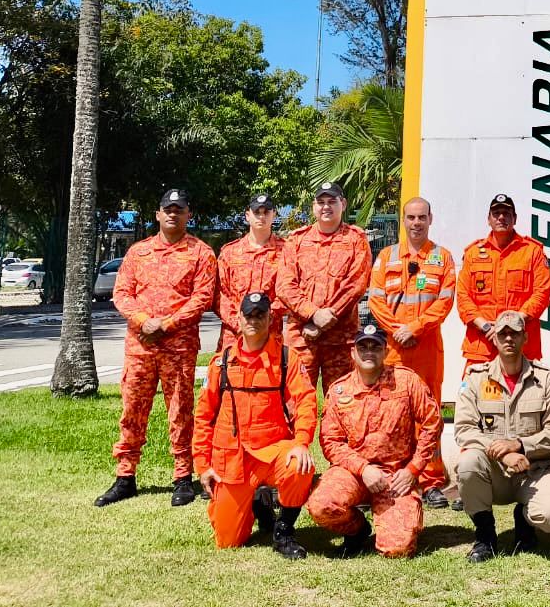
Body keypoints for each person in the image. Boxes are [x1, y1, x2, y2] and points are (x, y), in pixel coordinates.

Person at [97, 188, 218, 508]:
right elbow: (122, 294)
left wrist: (164, 325)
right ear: (158, 214)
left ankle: (182, 478)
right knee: (132, 411)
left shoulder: (201, 253)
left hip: (178, 347)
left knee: (180, 412)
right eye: (168, 209)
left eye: (179, 209)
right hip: (141, 345)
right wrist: (142, 321)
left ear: (188, 215)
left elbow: (202, 298)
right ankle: (125, 477)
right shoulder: (138, 253)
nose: (173, 214)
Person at [306, 320, 442, 559]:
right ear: (353, 352)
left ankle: (398, 521)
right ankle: (357, 530)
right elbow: (330, 441)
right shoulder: (340, 391)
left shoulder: (406, 382)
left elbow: (432, 423)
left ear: (386, 351)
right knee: (322, 505)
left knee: (398, 549)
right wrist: (363, 468)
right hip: (354, 473)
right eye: (363, 347)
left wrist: (413, 469)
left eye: (375, 347)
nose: (369, 352)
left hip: (396, 474)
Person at [193, 292, 315, 558]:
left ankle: (283, 531)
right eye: (249, 314)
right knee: (228, 540)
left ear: (270, 318)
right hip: (232, 458)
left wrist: (302, 442)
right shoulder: (220, 363)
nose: (254, 320)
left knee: (299, 467)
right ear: (239, 318)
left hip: (271, 451)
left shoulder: (286, 359)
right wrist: (203, 466)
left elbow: (305, 401)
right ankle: (256, 503)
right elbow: (203, 417)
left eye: (260, 315)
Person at [456, 311, 550, 562]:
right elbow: (464, 429)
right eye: (503, 334)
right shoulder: (476, 378)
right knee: (467, 464)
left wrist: (521, 445)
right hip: (494, 471)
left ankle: (525, 520)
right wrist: (505, 453)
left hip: (534, 469)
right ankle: (485, 536)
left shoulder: (545, 378)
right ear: (494, 340)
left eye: (515, 333)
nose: (509, 339)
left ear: (525, 338)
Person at [367, 195, 456, 506]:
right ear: (402, 221)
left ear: (430, 220)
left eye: (422, 217)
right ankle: (395, 474)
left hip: (427, 347)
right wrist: (396, 330)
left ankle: (431, 480)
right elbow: (375, 300)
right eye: (411, 218)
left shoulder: (442, 258)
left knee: (429, 413)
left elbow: (444, 302)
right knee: (392, 413)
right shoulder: (386, 258)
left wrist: (415, 328)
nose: (416, 223)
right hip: (393, 350)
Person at [276, 181, 372, 398]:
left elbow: (355, 285)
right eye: (321, 202)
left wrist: (322, 322)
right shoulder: (297, 240)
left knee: (341, 403)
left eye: (332, 201)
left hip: (340, 340)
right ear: (313, 207)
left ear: (343, 204)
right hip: (301, 338)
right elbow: (284, 285)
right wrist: (313, 314)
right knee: (296, 403)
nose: (326, 207)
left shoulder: (356, 240)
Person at [457, 193, 550, 368]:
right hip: (482, 344)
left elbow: (542, 294)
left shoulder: (532, 251)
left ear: (514, 218)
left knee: (527, 395)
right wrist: (486, 327)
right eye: (496, 213)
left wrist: (512, 324)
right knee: (475, 394)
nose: (501, 217)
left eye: (506, 213)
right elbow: (463, 298)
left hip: (521, 344)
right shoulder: (473, 253)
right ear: (489, 219)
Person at [215, 193, 285, 353]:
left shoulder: (286, 251)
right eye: (257, 212)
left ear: (274, 214)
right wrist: (240, 322)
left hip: (270, 334)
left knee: (271, 377)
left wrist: (263, 321)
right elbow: (220, 295)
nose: (261, 216)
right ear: (247, 215)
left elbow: (288, 292)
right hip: (234, 336)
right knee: (231, 377)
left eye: (266, 212)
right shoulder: (230, 252)